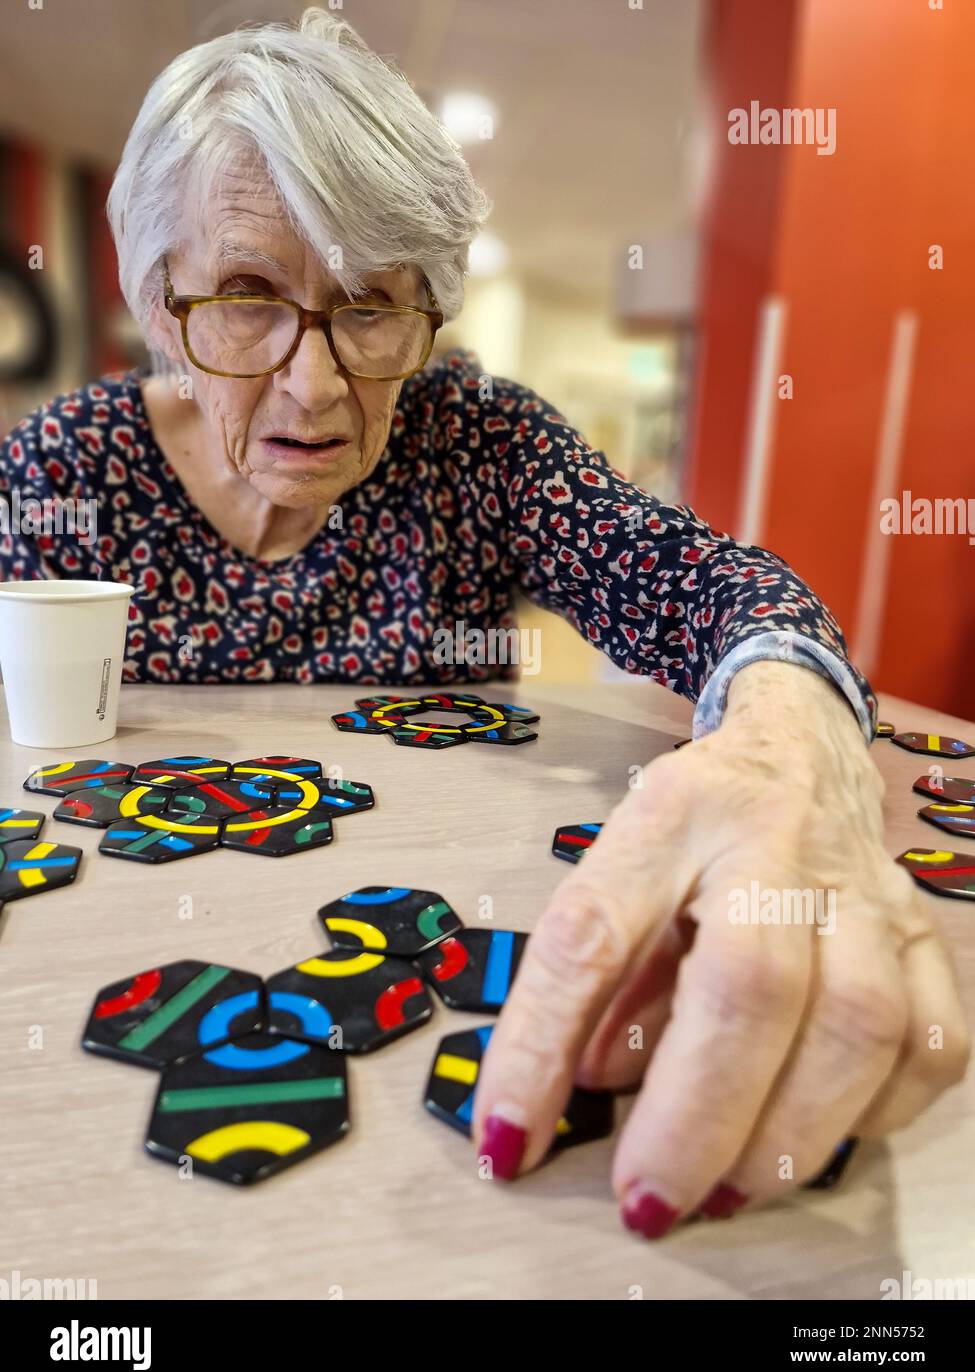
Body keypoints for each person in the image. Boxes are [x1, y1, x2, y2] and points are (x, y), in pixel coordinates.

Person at [0, 9, 967, 1238]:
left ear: (429, 310)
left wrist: (796, 747)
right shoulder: (61, 466)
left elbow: (713, 587)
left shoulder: (477, 442)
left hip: (412, 988)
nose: (313, 384)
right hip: (101, 992)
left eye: (369, 308)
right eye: (247, 297)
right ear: (158, 295)